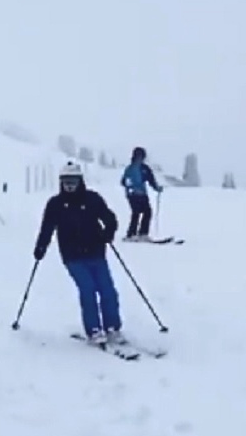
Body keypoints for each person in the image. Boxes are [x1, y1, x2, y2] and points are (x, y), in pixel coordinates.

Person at [33, 161, 125, 345]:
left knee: (108, 291)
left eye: (73, 180)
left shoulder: (92, 199)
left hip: (96, 252)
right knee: (88, 290)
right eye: (66, 181)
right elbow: (47, 228)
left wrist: (108, 232)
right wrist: (40, 247)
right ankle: (94, 330)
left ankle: (112, 327)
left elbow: (110, 219)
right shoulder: (55, 204)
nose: (69, 185)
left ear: (80, 180)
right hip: (72, 256)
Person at [120, 146, 162, 240]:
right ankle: (132, 234)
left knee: (147, 212)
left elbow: (151, 180)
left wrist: (157, 188)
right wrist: (131, 187)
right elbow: (123, 181)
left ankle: (142, 233)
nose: (140, 158)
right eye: (139, 156)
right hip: (133, 194)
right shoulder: (130, 169)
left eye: (141, 156)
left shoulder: (144, 168)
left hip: (142, 194)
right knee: (136, 212)